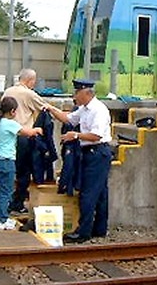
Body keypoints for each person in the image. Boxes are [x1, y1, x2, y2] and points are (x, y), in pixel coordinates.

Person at [45, 78, 113, 243]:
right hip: (90, 152)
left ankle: (83, 231)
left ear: (87, 93)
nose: (75, 96)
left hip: (97, 152)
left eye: (77, 92)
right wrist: (51, 109)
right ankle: (99, 229)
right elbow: (69, 119)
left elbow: (96, 135)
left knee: (88, 193)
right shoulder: (84, 109)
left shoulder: (98, 110)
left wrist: (75, 135)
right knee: (101, 192)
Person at [0, 96, 42, 230]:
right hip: (7, 160)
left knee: (0, 190)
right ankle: (1, 220)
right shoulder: (10, 123)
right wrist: (37, 130)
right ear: (13, 111)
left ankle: (0, 216)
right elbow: (27, 132)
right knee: (6, 191)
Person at [2, 68, 46, 214]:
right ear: (30, 80)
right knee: (24, 171)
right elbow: (45, 107)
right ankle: (17, 202)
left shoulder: (8, 91)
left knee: (9, 170)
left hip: (8, 135)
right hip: (24, 135)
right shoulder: (29, 94)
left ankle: (7, 201)